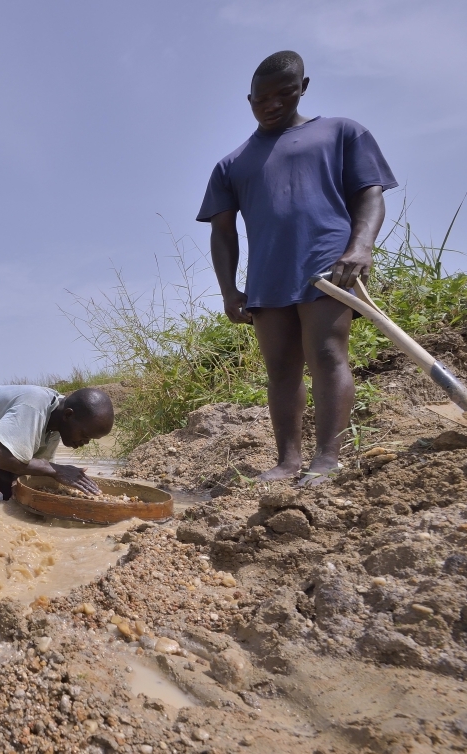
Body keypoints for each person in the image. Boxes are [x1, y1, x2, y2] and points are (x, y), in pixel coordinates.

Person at [198, 50, 397, 485]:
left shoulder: (341, 132)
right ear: (248, 100)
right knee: (281, 368)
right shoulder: (232, 164)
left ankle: (327, 458)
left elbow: (371, 194)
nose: (271, 105)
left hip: (329, 264)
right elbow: (223, 232)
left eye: (283, 94)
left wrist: (361, 248)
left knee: (327, 353)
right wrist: (229, 290)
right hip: (268, 275)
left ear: (303, 88)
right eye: (260, 99)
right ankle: (288, 461)